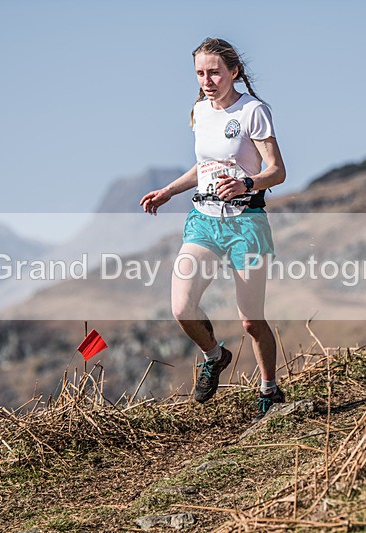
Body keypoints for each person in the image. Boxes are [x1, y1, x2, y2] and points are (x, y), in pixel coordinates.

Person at [140, 37, 287, 415]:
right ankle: (214, 355)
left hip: (246, 223)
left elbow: (277, 171)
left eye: (214, 73)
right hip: (204, 221)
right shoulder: (200, 111)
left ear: (234, 72)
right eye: (200, 74)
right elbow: (203, 165)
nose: (207, 81)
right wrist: (168, 191)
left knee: (251, 322)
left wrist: (247, 183)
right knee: (182, 307)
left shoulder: (253, 111)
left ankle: (269, 391)